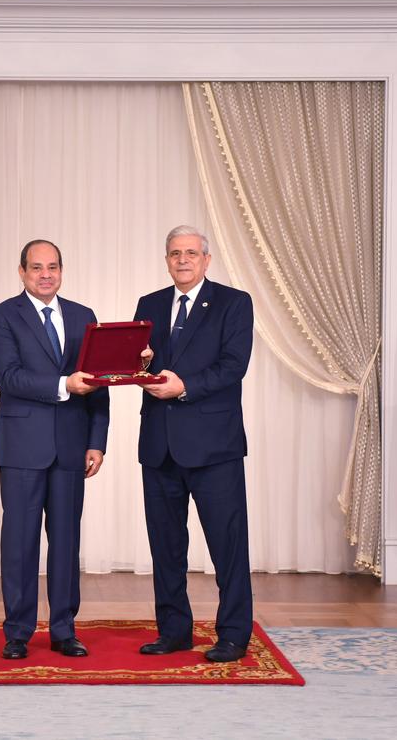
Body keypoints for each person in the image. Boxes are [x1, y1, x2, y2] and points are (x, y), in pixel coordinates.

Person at [0, 239, 109, 660]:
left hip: (72, 446)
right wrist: (63, 385)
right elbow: (7, 376)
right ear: (22, 272)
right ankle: (17, 633)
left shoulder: (83, 316)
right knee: (19, 543)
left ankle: (63, 630)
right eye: (36, 267)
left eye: (52, 267)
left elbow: (99, 384)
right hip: (22, 446)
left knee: (66, 542)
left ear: (61, 271)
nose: (45, 275)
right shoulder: (2, 316)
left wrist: (97, 441)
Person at [133, 225, 254, 663]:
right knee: (165, 547)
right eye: (174, 253)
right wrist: (137, 366)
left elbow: (233, 366)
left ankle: (234, 634)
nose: (182, 260)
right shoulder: (149, 304)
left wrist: (184, 386)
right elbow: (136, 361)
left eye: (190, 253)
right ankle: (174, 631)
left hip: (214, 447)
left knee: (228, 545)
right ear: (166, 260)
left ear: (206, 259)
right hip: (159, 445)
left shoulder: (233, 303)